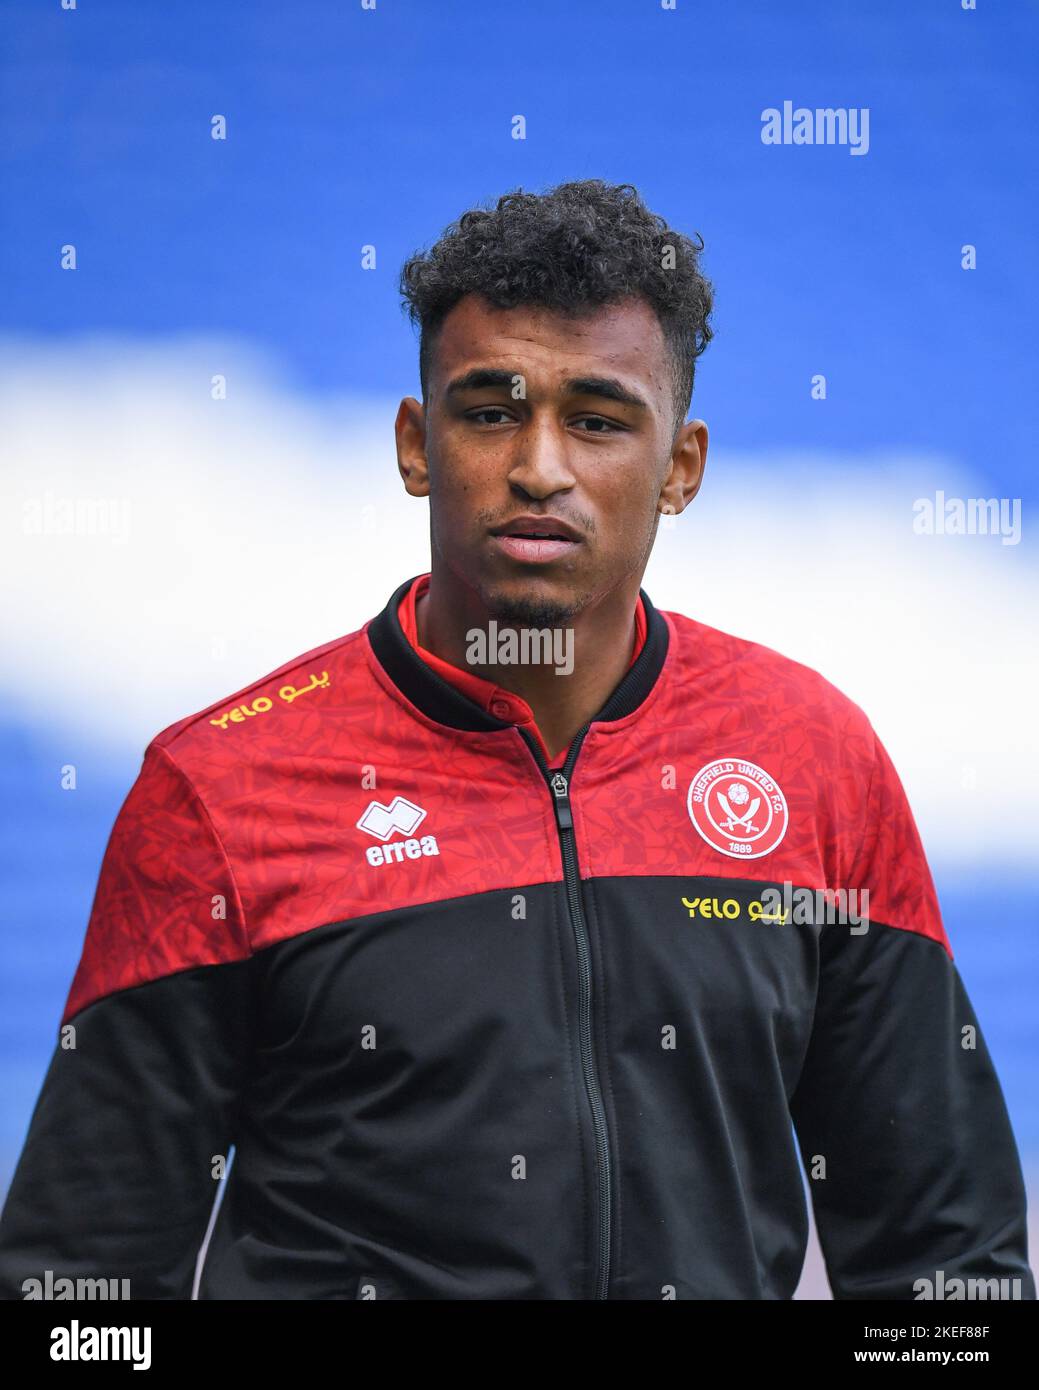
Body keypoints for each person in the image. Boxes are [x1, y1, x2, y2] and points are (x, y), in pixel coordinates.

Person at [0, 180, 1032, 1301]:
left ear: (679, 467)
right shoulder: (219, 790)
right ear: (414, 443)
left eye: (597, 417)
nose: (539, 465)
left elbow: (948, 1270)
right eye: (489, 409)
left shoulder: (811, 758)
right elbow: (79, 1294)